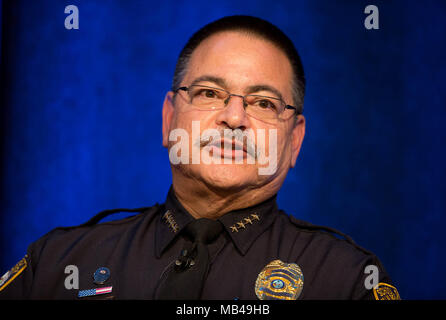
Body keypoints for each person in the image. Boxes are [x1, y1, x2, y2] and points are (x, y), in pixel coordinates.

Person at [0, 15, 399, 300]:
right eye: (209, 93)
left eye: (263, 102)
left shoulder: (347, 282)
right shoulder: (56, 265)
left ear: (295, 140)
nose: (234, 117)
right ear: (169, 117)